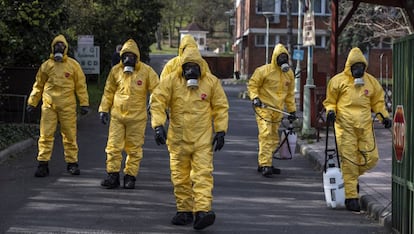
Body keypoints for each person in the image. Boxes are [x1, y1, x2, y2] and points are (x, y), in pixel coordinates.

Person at [150, 47, 229, 230]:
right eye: (187, 67)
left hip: (202, 140)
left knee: (203, 175)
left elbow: (220, 107)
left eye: (195, 66)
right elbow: (157, 102)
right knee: (180, 177)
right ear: (182, 67)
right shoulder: (171, 81)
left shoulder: (211, 83)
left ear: (201, 66)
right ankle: (184, 210)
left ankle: (202, 211)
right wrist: (158, 126)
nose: (191, 71)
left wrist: (221, 131)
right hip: (178, 139)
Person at [323, 47, 392, 212]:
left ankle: (350, 179)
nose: (358, 70)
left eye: (361, 66)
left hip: (365, 127)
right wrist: (331, 111)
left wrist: (384, 116)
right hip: (345, 127)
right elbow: (330, 101)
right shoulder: (338, 81)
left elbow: (378, 102)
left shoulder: (371, 82)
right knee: (349, 162)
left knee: (371, 158)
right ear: (349, 67)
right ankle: (351, 197)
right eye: (355, 67)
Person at [98, 39, 159, 189]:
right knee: (113, 146)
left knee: (134, 148)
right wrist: (103, 109)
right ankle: (113, 175)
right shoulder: (116, 71)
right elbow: (108, 92)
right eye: (125, 55)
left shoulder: (146, 72)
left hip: (137, 118)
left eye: (132, 56)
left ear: (137, 57)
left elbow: (157, 90)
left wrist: (155, 106)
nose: (128, 59)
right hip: (117, 117)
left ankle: (130, 176)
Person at [26, 34, 90, 177]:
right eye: (56, 46)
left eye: (61, 46)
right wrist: (32, 101)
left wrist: (84, 103)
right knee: (46, 135)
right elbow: (38, 85)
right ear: (52, 48)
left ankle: (72, 163)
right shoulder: (46, 66)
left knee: (69, 135)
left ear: (66, 48)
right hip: (49, 106)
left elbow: (80, 86)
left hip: (68, 106)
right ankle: (43, 164)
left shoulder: (73, 65)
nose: (59, 48)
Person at [247, 43, 297, 178]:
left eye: (285, 57)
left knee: (274, 137)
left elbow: (290, 94)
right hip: (264, 108)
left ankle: (264, 162)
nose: (283, 60)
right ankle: (265, 165)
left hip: (278, 110)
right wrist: (255, 98)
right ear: (274, 57)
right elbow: (253, 85)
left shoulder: (289, 74)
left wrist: (292, 111)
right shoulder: (263, 71)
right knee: (266, 134)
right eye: (280, 57)